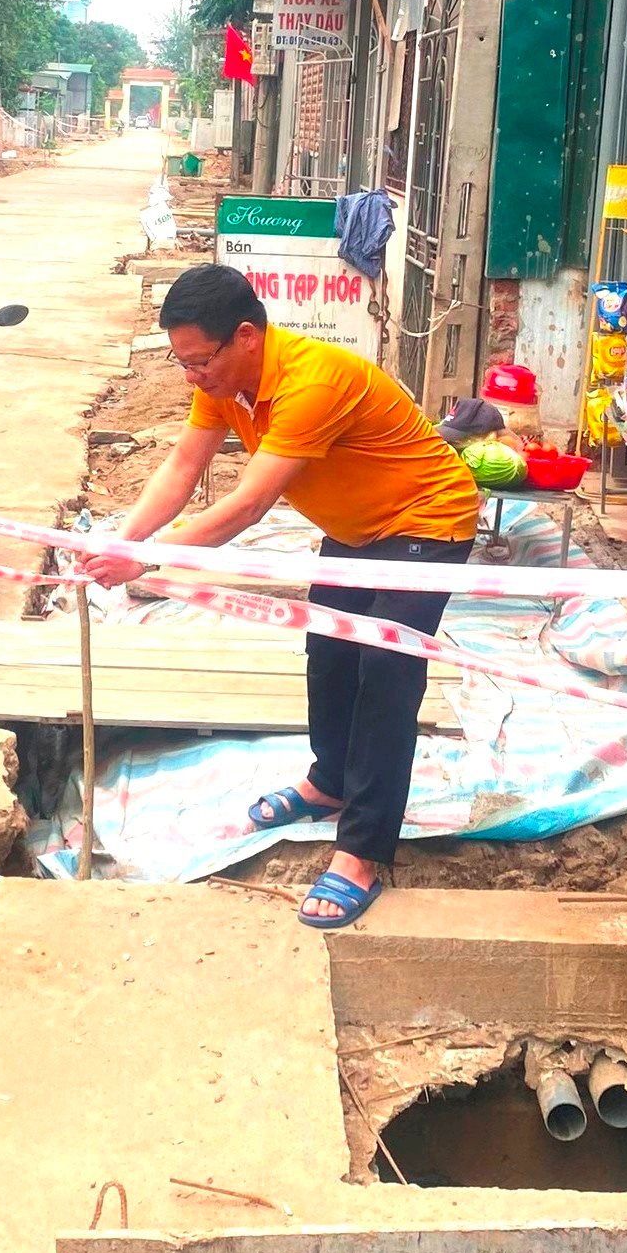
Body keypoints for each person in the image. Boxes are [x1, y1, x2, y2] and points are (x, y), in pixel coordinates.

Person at [82, 265, 479, 929]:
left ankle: (360, 851)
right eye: (182, 363)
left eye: (198, 360)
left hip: (426, 519)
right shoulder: (224, 383)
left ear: (245, 336)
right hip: (354, 527)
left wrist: (146, 559)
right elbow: (183, 467)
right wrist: (118, 540)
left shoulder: (311, 381)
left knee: (384, 667)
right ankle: (328, 779)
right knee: (328, 649)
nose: (191, 376)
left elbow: (250, 503)